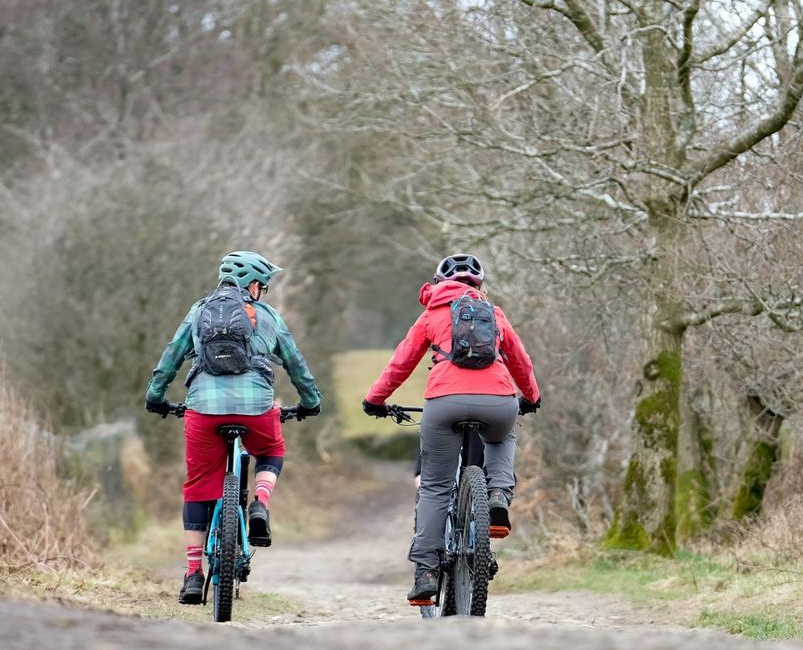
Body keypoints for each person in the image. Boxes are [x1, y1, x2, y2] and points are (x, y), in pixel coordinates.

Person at [362, 253, 542, 605]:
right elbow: (520, 360)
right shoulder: (495, 315)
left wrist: (375, 399)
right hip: (499, 400)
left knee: (435, 487)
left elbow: (400, 363)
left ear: (439, 284)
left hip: (444, 402)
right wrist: (531, 397)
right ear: (479, 286)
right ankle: (497, 498)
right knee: (502, 435)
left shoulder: (431, 314)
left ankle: (426, 574)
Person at [146, 251, 322, 604]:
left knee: (197, 485)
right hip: (256, 410)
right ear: (252, 284)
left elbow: (171, 356)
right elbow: (295, 363)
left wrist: (156, 396)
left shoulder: (198, 312)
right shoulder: (269, 316)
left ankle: (194, 576)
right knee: (271, 451)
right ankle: (259, 502)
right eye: (263, 286)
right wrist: (310, 402)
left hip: (204, 411)